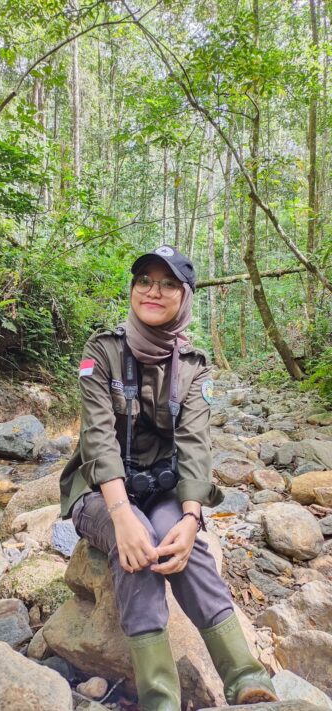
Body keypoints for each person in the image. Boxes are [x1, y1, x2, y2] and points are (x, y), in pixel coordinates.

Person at [60, 245, 277, 709]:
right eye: (144, 280)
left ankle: (246, 679)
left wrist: (192, 516)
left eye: (168, 283)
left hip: (162, 485)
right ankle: (160, 698)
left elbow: (196, 445)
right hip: (100, 490)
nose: (152, 291)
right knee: (135, 552)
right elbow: (97, 439)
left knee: (181, 545)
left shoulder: (194, 366)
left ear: (186, 296)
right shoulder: (102, 350)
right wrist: (121, 517)